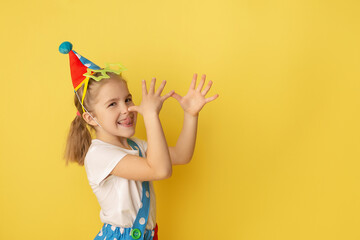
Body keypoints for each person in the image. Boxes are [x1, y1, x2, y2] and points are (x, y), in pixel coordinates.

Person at [59, 41, 219, 240]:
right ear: (91, 118)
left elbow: (181, 155)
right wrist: (151, 115)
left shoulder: (135, 146)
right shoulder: (99, 154)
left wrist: (190, 115)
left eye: (127, 99)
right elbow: (160, 170)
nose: (126, 109)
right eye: (112, 104)